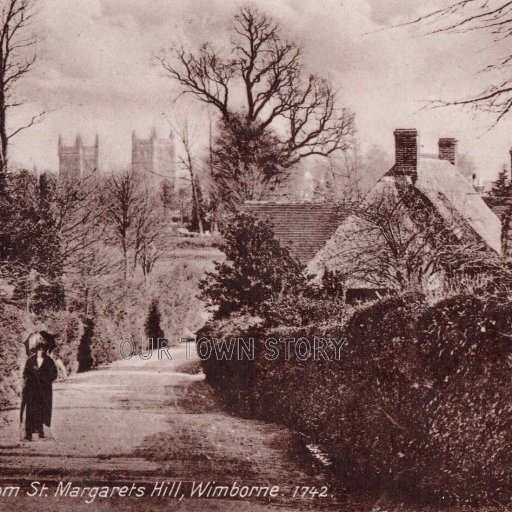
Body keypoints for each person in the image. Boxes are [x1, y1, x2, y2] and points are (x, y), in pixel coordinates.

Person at [20, 335, 58, 441]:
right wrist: (33, 374)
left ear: (46, 350)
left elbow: (54, 374)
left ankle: (41, 431)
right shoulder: (30, 360)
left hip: (44, 390)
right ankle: (28, 434)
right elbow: (25, 373)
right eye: (39, 349)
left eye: (43, 349)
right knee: (30, 410)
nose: (41, 351)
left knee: (42, 410)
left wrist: (44, 379)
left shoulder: (49, 361)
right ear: (36, 350)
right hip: (32, 390)